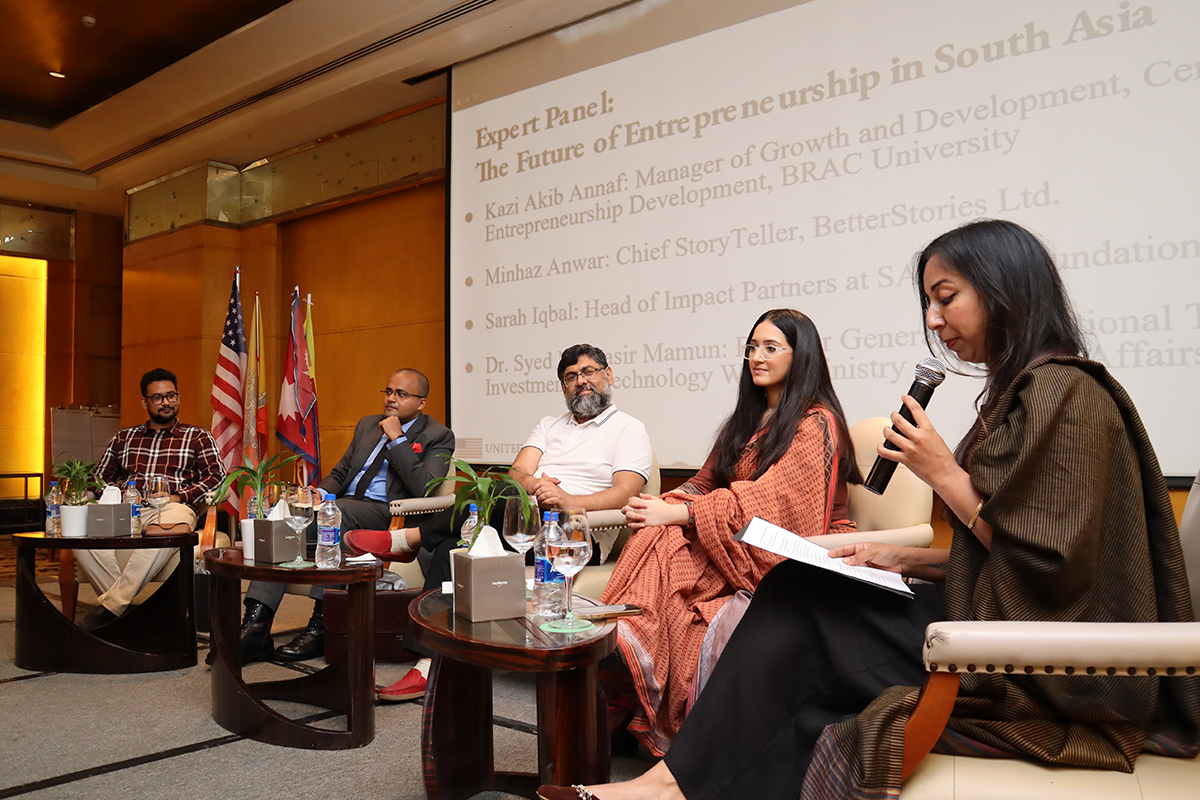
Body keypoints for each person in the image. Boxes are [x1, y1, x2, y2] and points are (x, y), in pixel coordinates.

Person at [538, 220, 1200, 800]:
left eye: (947, 299)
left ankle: (670, 786)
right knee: (798, 585)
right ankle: (673, 779)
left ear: (1007, 291)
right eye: (929, 304)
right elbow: (1003, 551)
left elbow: (1053, 569)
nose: (935, 322)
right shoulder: (1023, 390)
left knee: (802, 609)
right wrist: (898, 555)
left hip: (1040, 659)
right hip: (993, 610)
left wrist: (941, 469)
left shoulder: (1068, 393)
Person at [595, 308, 862, 757]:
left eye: (771, 348)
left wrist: (679, 515)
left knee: (671, 530)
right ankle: (631, 648)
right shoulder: (749, 417)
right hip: (737, 538)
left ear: (802, 357)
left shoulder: (816, 422)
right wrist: (662, 504)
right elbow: (704, 482)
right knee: (660, 528)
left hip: (799, 547)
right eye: (752, 347)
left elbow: (775, 504)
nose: (757, 357)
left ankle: (632, 642)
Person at [347, 343, 653, 701]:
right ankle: (429, 666)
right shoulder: (549, 425)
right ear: (563, 387)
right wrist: (536, 485)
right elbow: (518, 472)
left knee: (494, 492)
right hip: (524, 522)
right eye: (571, 377)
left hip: (572, 534)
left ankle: (409, 539)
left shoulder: (629, 429)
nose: (581, 382)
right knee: (455, 543)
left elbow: (626, 492)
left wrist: (571, 501)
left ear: (607, 375)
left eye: (589, 372)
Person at [238, 368, 454, 662]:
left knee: (336, 515)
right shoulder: (367, 425)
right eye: (388, 391)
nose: (391, 399)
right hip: (347, 504)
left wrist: (397, 440)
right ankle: (256, 624)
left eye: (401, 394)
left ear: (421, 402)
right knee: (285, 519)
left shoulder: (438, 435)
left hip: (390, 513)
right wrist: (319, 492)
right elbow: (341, 472)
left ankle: (324, 625)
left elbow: (424, 487)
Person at [77, 368, 225, 630]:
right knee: (79, 533)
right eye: (157, 398)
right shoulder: (124, 438)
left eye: (171, 396)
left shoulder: (197, 437)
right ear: (144, 402)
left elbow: (217, 476)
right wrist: (115, 493)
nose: (166, 402)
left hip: (172, 508)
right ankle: (127, 610)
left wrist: (179, 496)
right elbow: (99, 478)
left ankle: (113, 607)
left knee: (168, 527)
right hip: (126, 508)